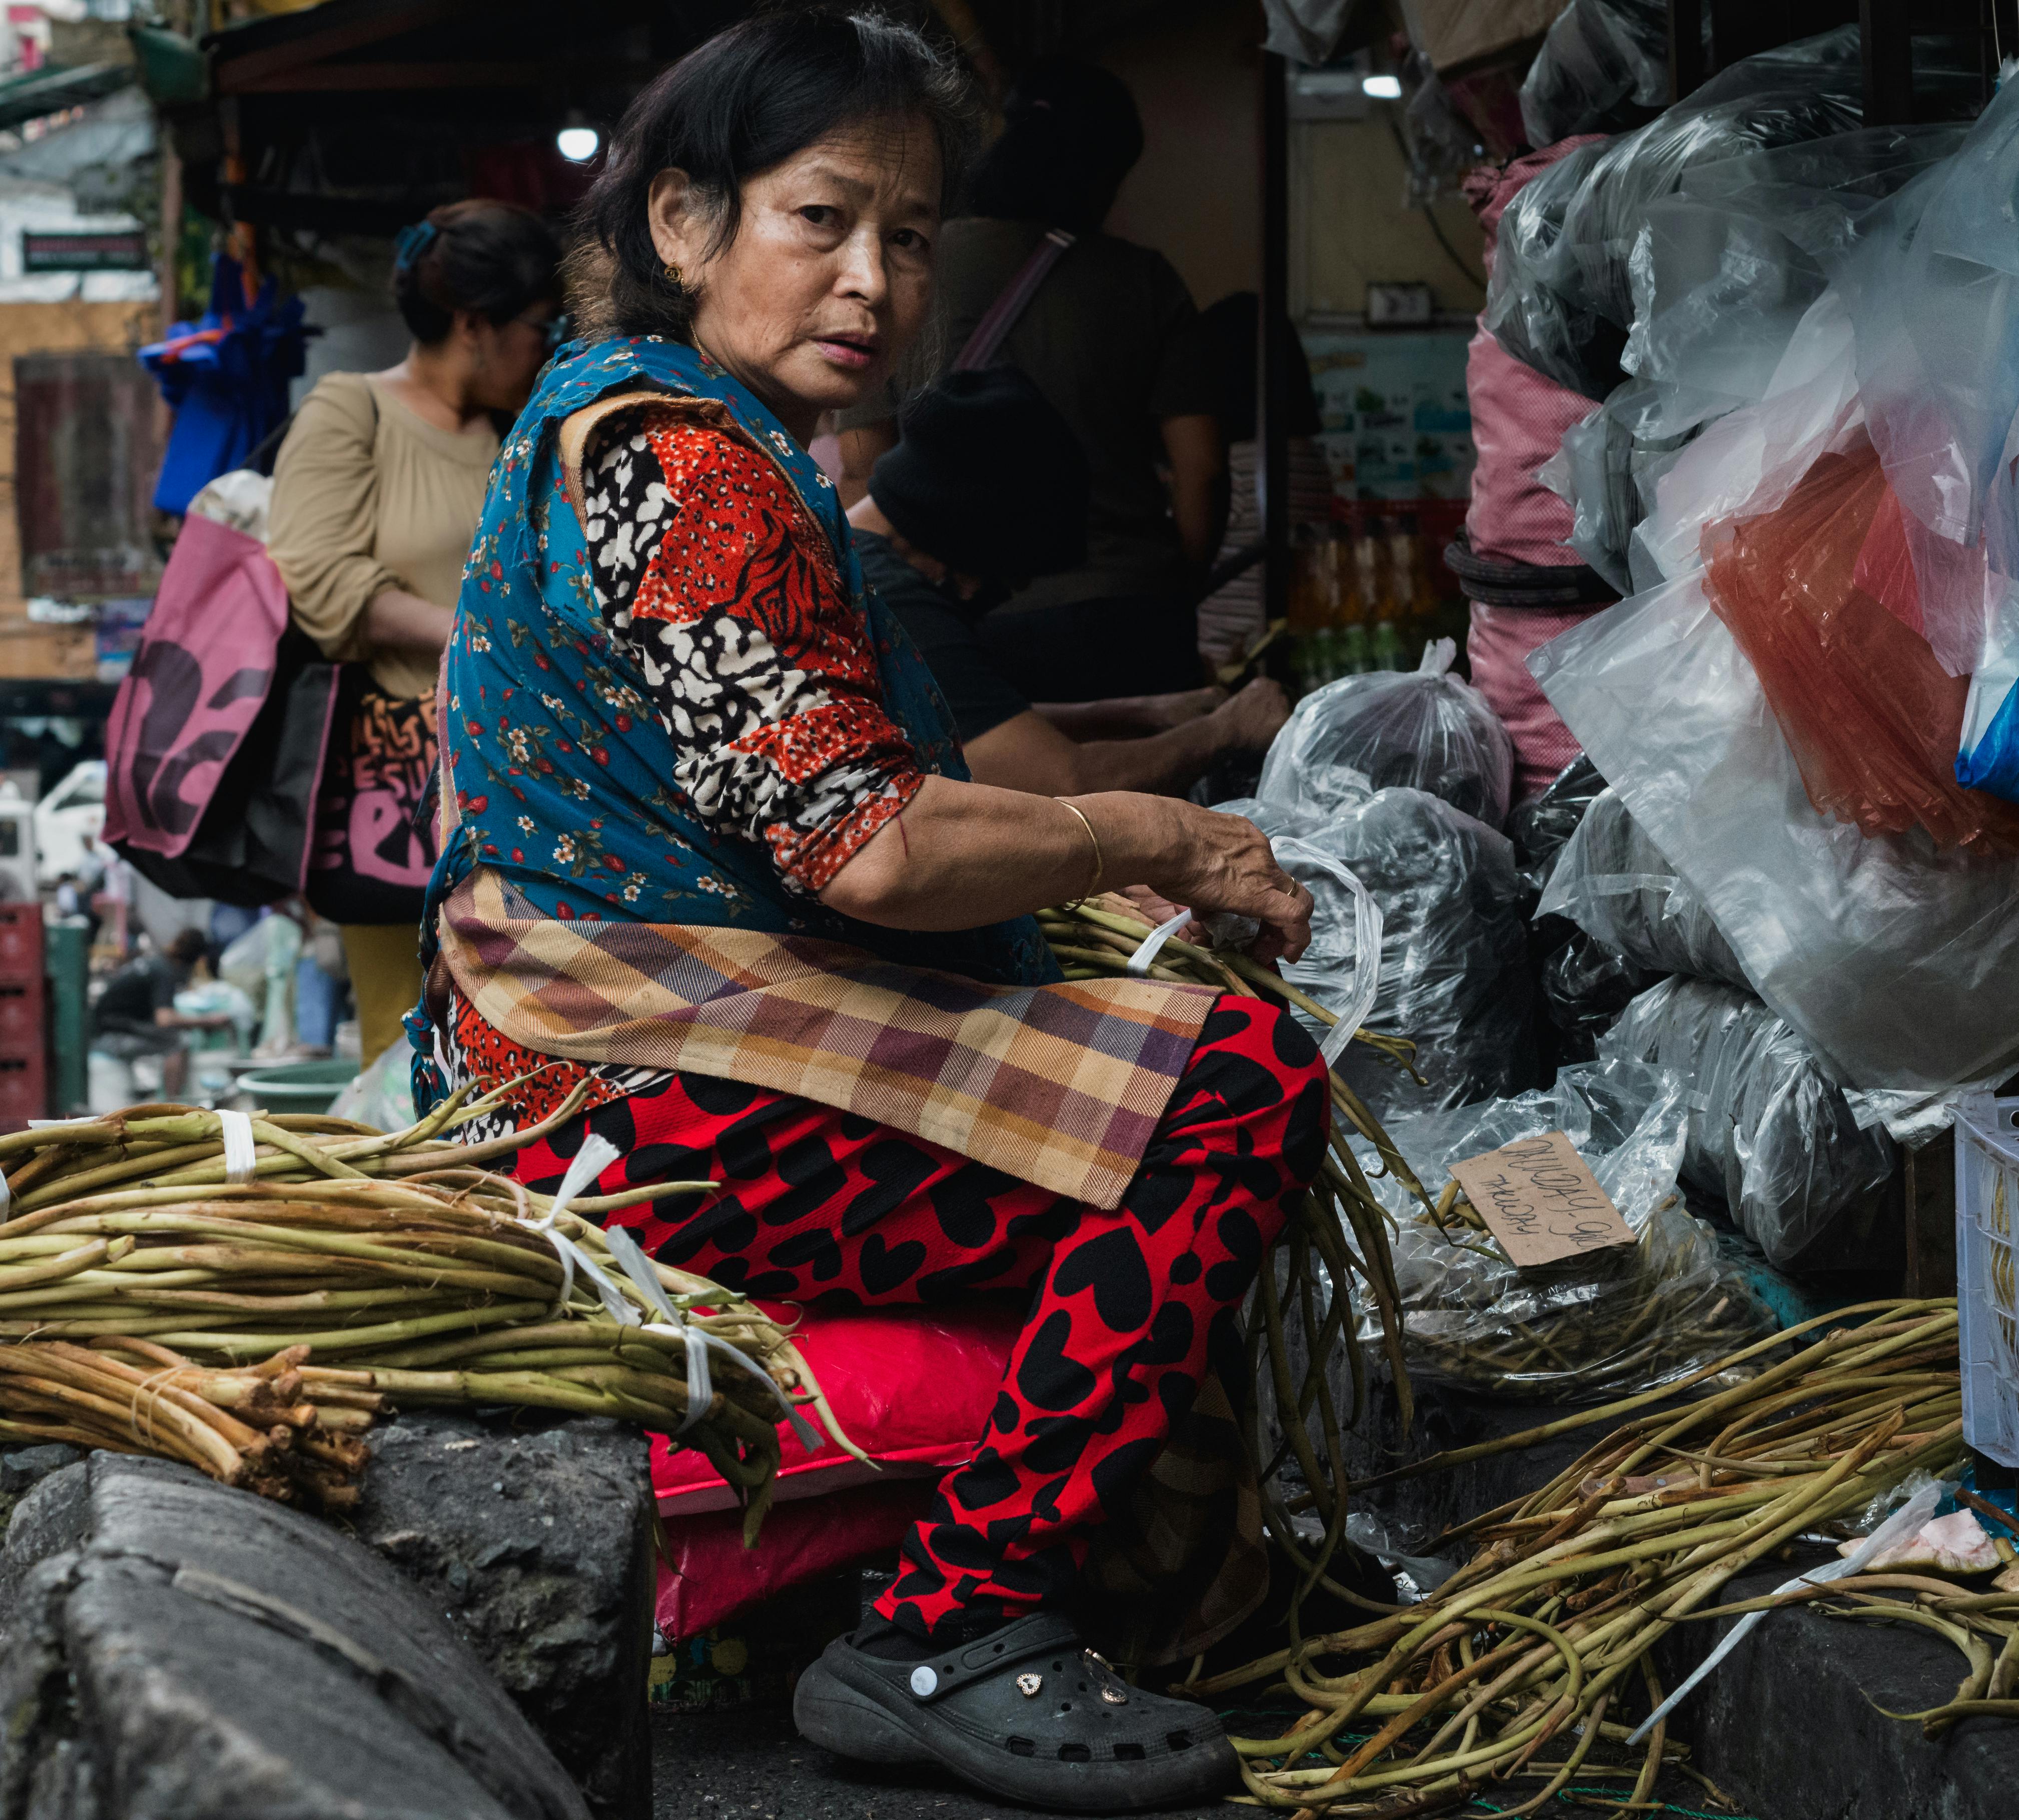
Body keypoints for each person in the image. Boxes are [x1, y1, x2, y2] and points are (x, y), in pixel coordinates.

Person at [411, 15, 1323, 1811]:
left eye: (908, 237)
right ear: (686, 220)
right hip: (626, 1092)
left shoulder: (621, 411)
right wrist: (1164, 833)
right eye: (821, 219)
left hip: (568, 1049)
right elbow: (868, 849)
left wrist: (1089, 858)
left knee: (1120, 1071)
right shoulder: (690, 467)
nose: (873, 281)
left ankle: (936, 1557)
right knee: (1227, 1087)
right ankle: (949, 1615)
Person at [267, 199, 562, 1068]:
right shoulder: (351, 411)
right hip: (399, 782)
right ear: (475, 325)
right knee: (406, 1047)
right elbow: (318, 578)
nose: (548, 347)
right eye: (540, 326)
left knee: (534, 1034)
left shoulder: (527, 431)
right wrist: (481, 640)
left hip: (528, 778)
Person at [837, 58, 1226, 701]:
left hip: (964, 616)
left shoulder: (908, 265)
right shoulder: (1146, 280)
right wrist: (1168, 584)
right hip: (1132, 611)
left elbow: (864, 465)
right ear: (1109, 173)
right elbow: (1203, 471)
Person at [849, 366, 1288, 793]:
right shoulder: (890, 595)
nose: (977, 596)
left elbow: (979, 722)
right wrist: (1228, 730)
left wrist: (1143, 713)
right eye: (996, 578)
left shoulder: (854, 552)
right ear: (955, 534)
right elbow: (1065, 781)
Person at [91, 929, 230, 1100]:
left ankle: (164, 1097)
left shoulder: (158, 962)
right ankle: (172, 1103)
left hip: (106, 1027)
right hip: (110, 1037)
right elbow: (165, 1019)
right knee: (178, 1042)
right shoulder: (166, 971)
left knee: (169, 1037)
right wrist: (209, 1021)